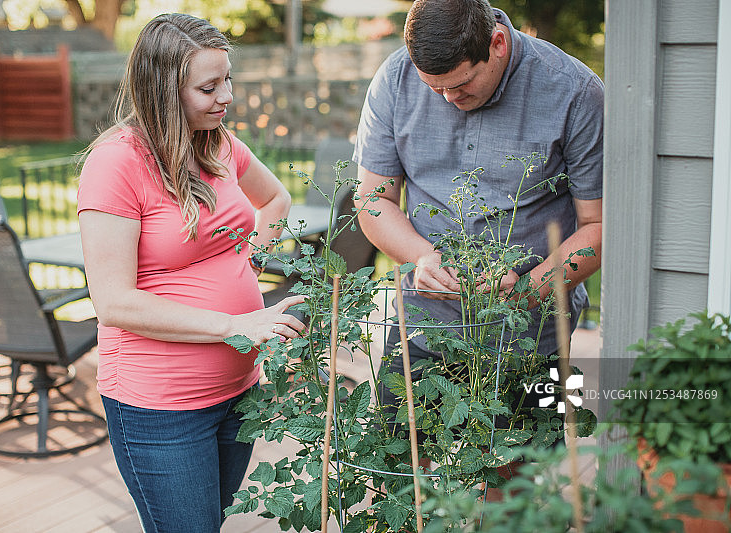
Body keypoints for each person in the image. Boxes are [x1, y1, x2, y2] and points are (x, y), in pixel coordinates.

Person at [77, 13, 305, 533]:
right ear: (162, 90)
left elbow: (275, 200)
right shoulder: (117, 164)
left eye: (227, 78)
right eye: (208, 86)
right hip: (160, 409)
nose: (226, 96)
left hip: (238, 390)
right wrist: (237, 323)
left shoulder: (219, 144)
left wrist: (241, 263)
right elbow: (113, 302)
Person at [353, 0, 603, 421]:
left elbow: (600, 226)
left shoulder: (576, 91)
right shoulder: (394, 78)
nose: (449, 99)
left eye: (462, 84)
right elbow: (372, 200)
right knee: (399, 470)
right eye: (435, 89)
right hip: (421, 321)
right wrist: (422, 257)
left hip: (534, 335)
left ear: (498, 43)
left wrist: (524, 292)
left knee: (517, 476)